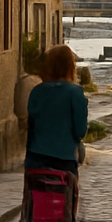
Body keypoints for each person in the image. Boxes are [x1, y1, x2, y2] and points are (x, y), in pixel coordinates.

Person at [26, 45, 88, 177]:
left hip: (36, 159)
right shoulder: (75, 93)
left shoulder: (37, 92)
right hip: (64, 160)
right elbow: (80, 131)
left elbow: (31, 128)